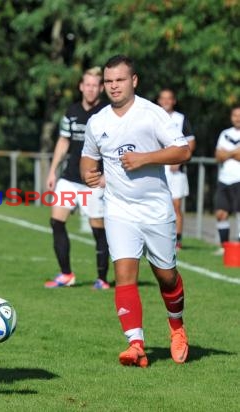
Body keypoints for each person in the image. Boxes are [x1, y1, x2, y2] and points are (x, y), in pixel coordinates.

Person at [80, 55, 191, 367]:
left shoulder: (151, 114)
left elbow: (183, 150)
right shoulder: (98, 121)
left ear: (134, 81)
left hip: (156, 210)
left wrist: (145, 158)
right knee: (124, 274)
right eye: (109, 81)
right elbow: (87, 159)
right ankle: (136, 343)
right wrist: (89, 173)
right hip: (118, 211)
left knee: (166, 277)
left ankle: (177, 327)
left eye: (120, 80)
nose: (114, 86)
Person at [43, 67, 110, 290]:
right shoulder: (71, 111)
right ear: (81, 87)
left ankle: (102, 278)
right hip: (70, 178)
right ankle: (66, 274)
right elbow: (63, 141)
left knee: (97, 228)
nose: (90, 89)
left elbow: (113, 146)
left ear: (101, 88)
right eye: (87, 85)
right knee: (56, 221)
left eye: (95, 85)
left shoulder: (107, 114)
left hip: (94, 180)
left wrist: (107, 175)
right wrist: (53, 171)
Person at [156, 88, 196, 250]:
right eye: (163, 98)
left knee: (176, 206)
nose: (166, 101)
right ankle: (160, 238)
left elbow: (191, 141)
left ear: (174, 101)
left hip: (174, 171)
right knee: (157, 206)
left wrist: (179, 160)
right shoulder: (153, 116)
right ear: (159, 101)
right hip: (157, 167)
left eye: (169, 98)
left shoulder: (181, 119)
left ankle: (177, 240)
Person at [214, 105, 240, 254]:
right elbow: (218, 156)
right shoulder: (225, 133)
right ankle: (224, 246)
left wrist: (227, 153)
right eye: (235, 115)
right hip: (224, 179)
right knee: (221, 213)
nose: (238, 118)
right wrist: (235, 152)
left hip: (239, 179)